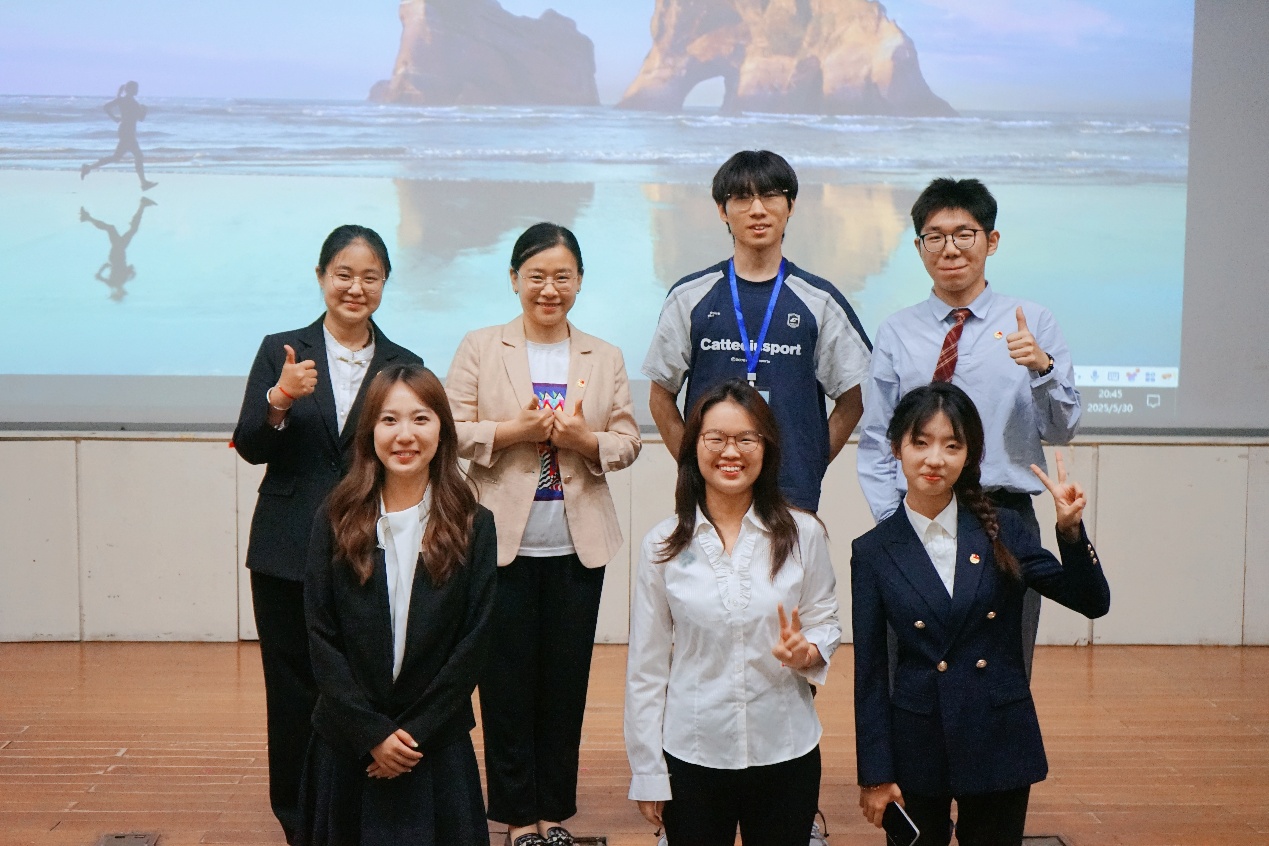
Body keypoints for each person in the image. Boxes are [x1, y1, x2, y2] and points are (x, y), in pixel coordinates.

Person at [446, 222, 641, 846]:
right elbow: (450, 430)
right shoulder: (482, 346)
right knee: (504, 687)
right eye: (536, 276)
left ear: (579, 282)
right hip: (499, 546)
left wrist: (586, 441)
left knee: (564, 687)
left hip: (577, 547)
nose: (549, 289)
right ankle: (515, 818)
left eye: (562, 276)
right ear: (514, 280)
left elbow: (628, 440)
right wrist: (515, 432)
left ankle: (554, 814)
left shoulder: (604, 355)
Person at [851, 382, 1109, 846]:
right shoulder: (873, 551)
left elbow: (1092, 601)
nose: (935, 459)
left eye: (952, 446)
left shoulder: (1003, 528)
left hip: (998, 733)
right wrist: (874, 774)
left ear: (970, 454)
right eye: (921, 443)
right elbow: (869, 672)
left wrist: (1071, 533)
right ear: (896, 448)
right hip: (917, 740)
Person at [232, 224, 422, 842]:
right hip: (287, 548)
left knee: (359, 685)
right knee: (292, 690)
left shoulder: (404, 364)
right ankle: (297, 818)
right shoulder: (280, 350)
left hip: (371, 550)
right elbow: (251, 446)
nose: (355, 287)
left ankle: (355, 808)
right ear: (321, 277)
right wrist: (279, 399)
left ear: (385, 283)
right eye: (344, 274)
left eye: (370, 277)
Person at [856, 177, 1081, 677]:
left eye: (964, 234)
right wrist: (893, 518)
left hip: (1005, 517)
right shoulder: (897, 330)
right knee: (911, 669)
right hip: (919, 512)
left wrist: (1042, 368)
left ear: (991, 241)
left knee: (1004, 668)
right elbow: (876, 438)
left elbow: (1062, 430)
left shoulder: (1033, 322)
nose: (950, 248)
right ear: (919, 247)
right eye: (934, 236)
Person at [625, 379, 841, 846]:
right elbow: (646, 667)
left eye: (746, 439)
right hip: (693, 752)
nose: (731, 452)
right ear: (693, 447)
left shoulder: (804, 534)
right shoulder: (662, 545)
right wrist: (647, 770)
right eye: (716, 438)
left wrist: (807, 652)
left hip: (785, 749)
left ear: (766, 448)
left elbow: (825, 620)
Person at [300, 364, 497, 845]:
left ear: (442, 430)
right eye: (389, 420)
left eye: (420, 418)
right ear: (369, 432)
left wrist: (411, 736)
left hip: (434, 746)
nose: (405, 435)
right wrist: (371, 734)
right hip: (348, 744)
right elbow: (321, 637)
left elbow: (474, 644)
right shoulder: (335, 517)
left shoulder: (474, 525)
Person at [643, 149, 872, 512]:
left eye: (770, 195)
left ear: (790, 205)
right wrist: (694, 466)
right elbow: (660, 397)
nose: (758, 209)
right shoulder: (689, 297)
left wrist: (809, 464)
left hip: (792, 498)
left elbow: (852, 400)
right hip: (712, 497)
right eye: (742, 198)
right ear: (722, 210)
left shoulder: (821, 301)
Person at [80, 81, 158, 190]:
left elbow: (108, 107)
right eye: (135, 88)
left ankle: (88, 167)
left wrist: (115, 118)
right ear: (129, 89)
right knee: (138, 156)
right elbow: (140, 118)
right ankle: (143, 183)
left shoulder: (126, 101)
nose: (137, 90)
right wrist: (144, 110)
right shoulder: (130, 102)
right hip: (127, 132)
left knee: (117, 157)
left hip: (126, 131)